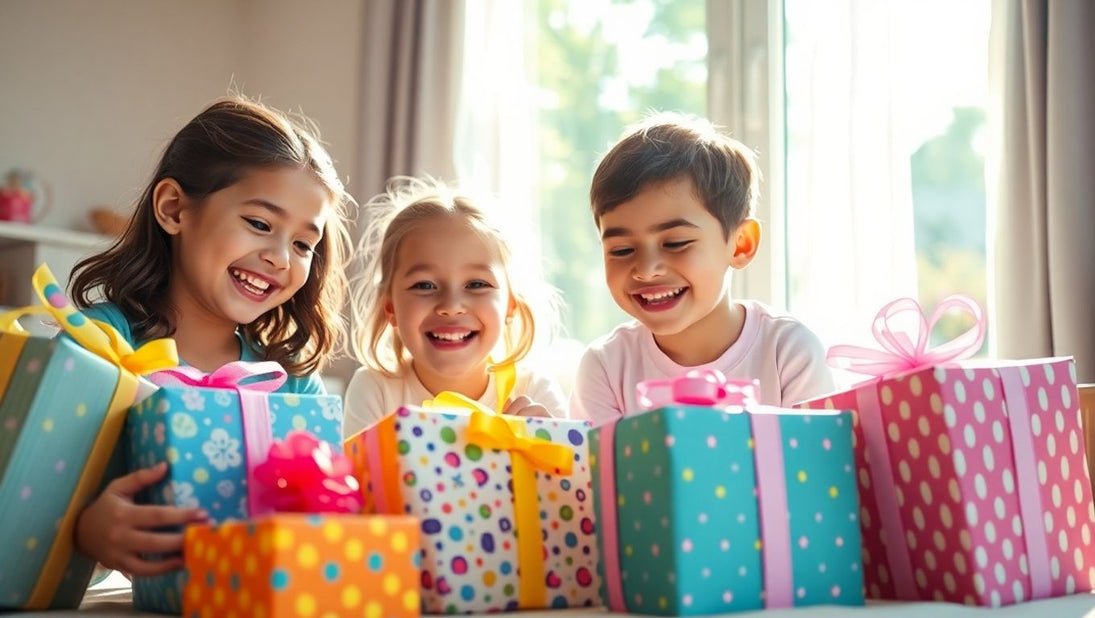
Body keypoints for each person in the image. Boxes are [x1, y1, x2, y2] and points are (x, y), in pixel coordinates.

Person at [67, 96, 352, 577]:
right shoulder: (99, 346)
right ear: (174, 208)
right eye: (260, 224)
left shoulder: (289, 383)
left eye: (304, 243)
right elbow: (29, 496)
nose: (282, 257)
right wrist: (83, 532)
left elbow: (324, 521)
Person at [570, 113, 834, 425]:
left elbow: (814, 466)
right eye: (622, 250)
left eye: (676, 243)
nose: (646, 269)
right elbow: (595, 472)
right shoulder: (605, 366)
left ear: (740, 245)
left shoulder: (788, 351)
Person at [343, 176, 565, 436]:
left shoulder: (535, 391)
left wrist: (547, 442)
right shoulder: (375, 389)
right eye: (424, 285)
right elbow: (356, 476)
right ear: (390, 308)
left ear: (510, 306)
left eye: (476, 284)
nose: (451, 306)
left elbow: (575, 474)